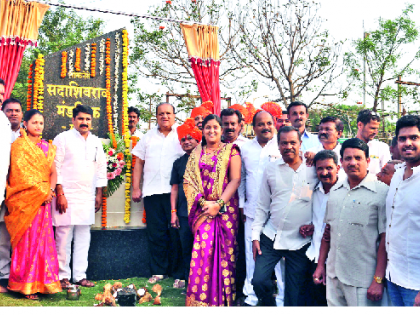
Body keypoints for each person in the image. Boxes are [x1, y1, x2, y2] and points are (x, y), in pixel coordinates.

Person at [313, 138, 388, 306]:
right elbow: (328, 232)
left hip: (363, 279)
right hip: (334, 275)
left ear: (368, 161)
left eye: (358, 158)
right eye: (348, 158)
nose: (352, 162)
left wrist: (378, 279)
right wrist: (320, 265)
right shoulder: (335, 191)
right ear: (341, 162)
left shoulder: (382, 193)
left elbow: (385, 240)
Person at [252, 126, 318, 306]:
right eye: (284, 143)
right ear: (278, 145)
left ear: (300, 144)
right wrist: (255, 236)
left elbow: (323, 199)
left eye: (292, 142)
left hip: (300, 240)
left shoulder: (313, 168)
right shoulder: (271, 169)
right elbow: (262, 205)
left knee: (294, 293)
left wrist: (315, 225)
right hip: (271, 235)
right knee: (258, 281)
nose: (288, 146)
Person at [183, 114, 241, 306]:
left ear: (221, 130)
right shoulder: (196, 153)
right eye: (208, 127)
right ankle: (201, 302)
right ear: (203, 130)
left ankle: (223, 302)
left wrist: (218, 204)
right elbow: (189, 181)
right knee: (203, 253)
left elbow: (235, 180)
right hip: (203, 211)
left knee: (225, 255)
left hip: (225, 211)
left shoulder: (231, 150)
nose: (212, 131)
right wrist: (203, 203)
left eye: (215, 127)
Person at [5, 109, 61, 299]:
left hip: (45, 202)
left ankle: (43, 284)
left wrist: (50, 191)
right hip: (26, 203)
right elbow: (19, 176)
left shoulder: (47, 147)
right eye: (34, 122)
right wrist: (40, 192)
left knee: (42, 242)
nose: (38, 126)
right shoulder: (19, 146)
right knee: (27, 243)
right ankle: (26, 285)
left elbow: (53, 173)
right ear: (25, 124)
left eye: (41, 123)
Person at [52, 105, 107, 289]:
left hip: (87, 195)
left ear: (91, 121)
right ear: (73, 120)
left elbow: (100, 168)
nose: (84, 122)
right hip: (66, 195)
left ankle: (80, 276)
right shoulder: (63, 139)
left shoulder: (96, 142)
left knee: (84, 236)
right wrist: (59, 193)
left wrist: (99, 193)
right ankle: (63, 276)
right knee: (63, 236)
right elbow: (55, 167)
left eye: (88, 119)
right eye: (81, 119)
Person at [132, 102, 184, 284]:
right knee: (156, 234)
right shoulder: (147, 137)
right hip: (153, 192)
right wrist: (136, 188)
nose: (165, 117)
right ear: (156, 116)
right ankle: (159, 271)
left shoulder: (182, 135)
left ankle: (179, 273)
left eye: (168, 113)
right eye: (161, 113)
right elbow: (138, 162)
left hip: (175, 193)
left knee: (177, 234)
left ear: (174, 115)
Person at [238, 111, 285, 307]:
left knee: (282, 257)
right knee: (252, 255)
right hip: (252, 211)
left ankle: (282, 298)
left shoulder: (282, 146)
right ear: (253, 127)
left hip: (278, 213)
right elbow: (241, 179)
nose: (265, 127)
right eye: (260, 124)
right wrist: (241, 204)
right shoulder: (245, 149)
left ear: (274, 124)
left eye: (268, 123)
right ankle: (251, 297)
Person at [385, 115, 420, 306]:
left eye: (414, 137)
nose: (407, 143)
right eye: (402, 138)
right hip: (393, 277)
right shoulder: (397, 175)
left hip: (415, 284)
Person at [300, 150, 340, 306]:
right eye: (320, 168)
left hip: (334, 262)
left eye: (329, 168)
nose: (324, 173)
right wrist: (307, 226)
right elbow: (297, 204)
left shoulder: (346, 191)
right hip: (312, 255)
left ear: (338, 167)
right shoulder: (311, 189)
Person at [170, 118, 201, 290]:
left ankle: (204, 282)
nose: (187, 141)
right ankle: (190, 285)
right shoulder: (178, 163)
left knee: (203, 249)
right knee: (186, 247)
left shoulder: (206, 158)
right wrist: (174, 212)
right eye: (183, 139)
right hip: (183, 213)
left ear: (198, 139)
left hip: (203, 212)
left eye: (190, 138)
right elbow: (175, 189)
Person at [0, 78, 11, 293]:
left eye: (2, 94)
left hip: (2, 188)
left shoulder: (3, 120)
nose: (0, 97)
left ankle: (2, 276)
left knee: (2, 237)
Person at [356, 109, 391, 175]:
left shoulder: (382, 148)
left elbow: (387, 173)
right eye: (372, 128)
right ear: (360, 125)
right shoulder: (346, 147)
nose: (375, 132)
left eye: (377, 129)